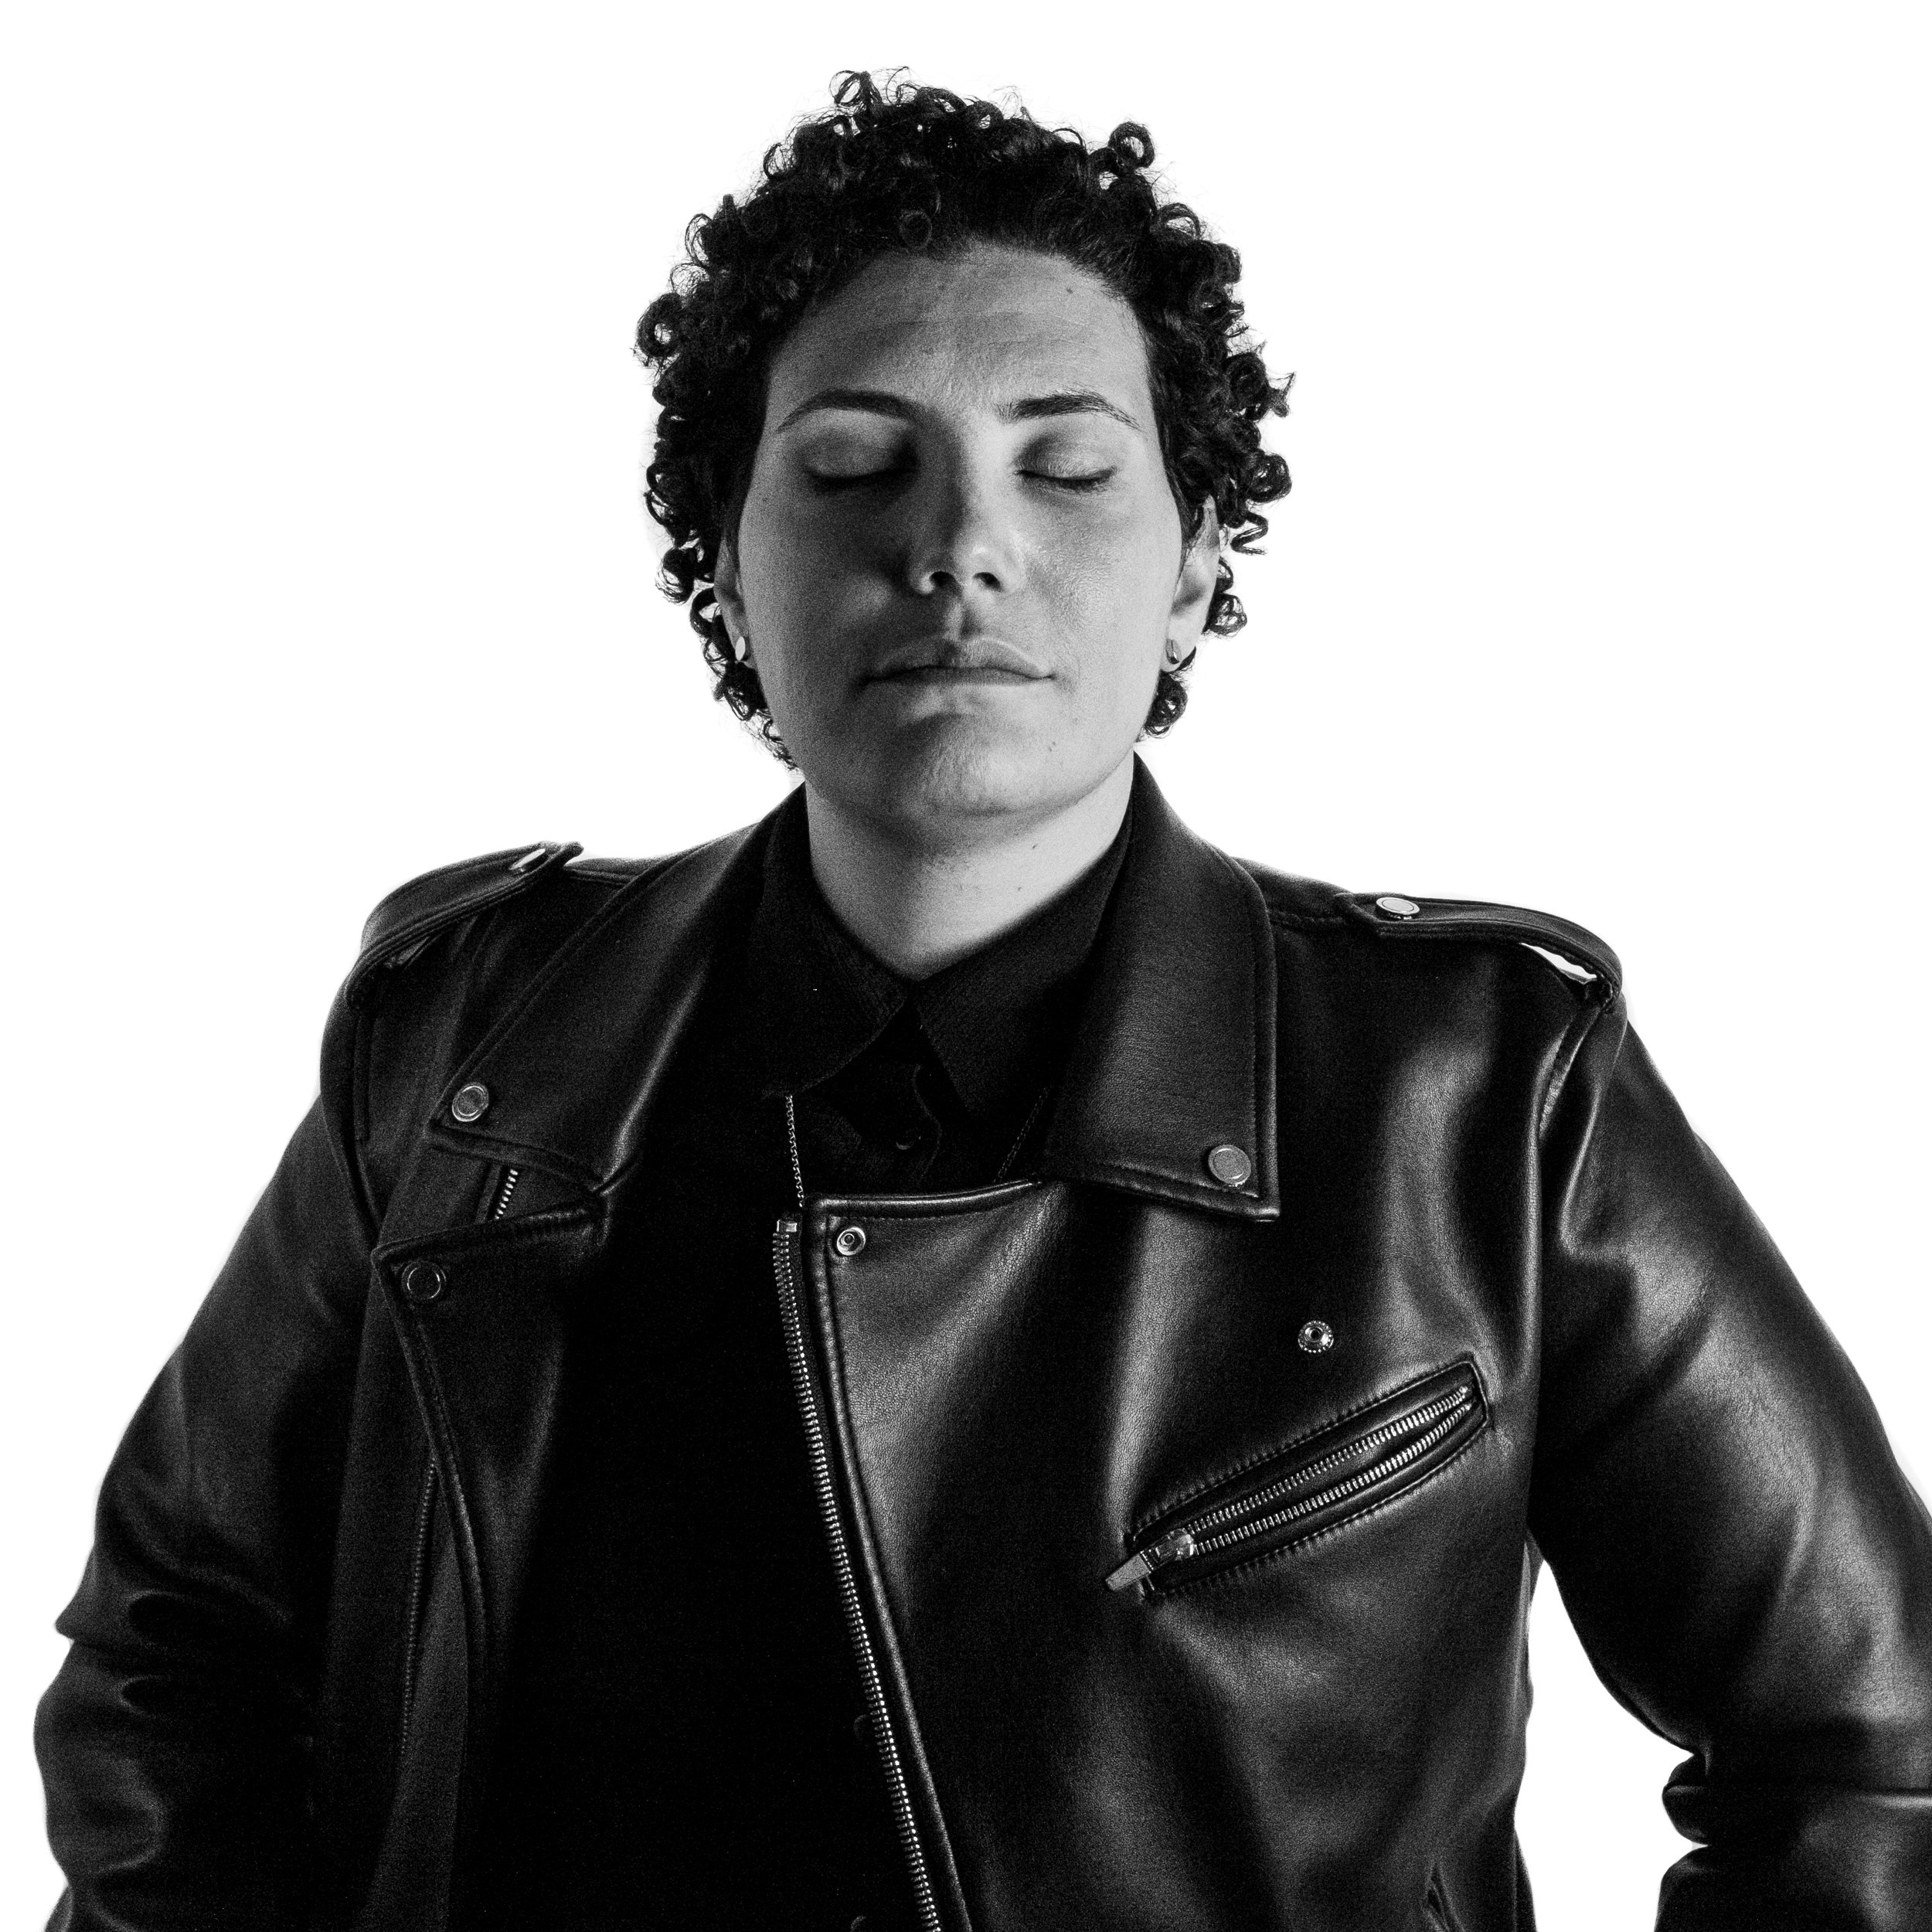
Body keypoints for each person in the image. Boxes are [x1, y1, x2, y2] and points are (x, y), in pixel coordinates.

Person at [36, 70, 1932, 1932]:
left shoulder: (1480, 1089)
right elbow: (173, 1650)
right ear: (722, 566)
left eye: (1068, 467)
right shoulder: (472, 1041)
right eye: (852, 465)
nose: (956, 544)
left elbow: (1868, 1752)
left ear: (1194, 565)